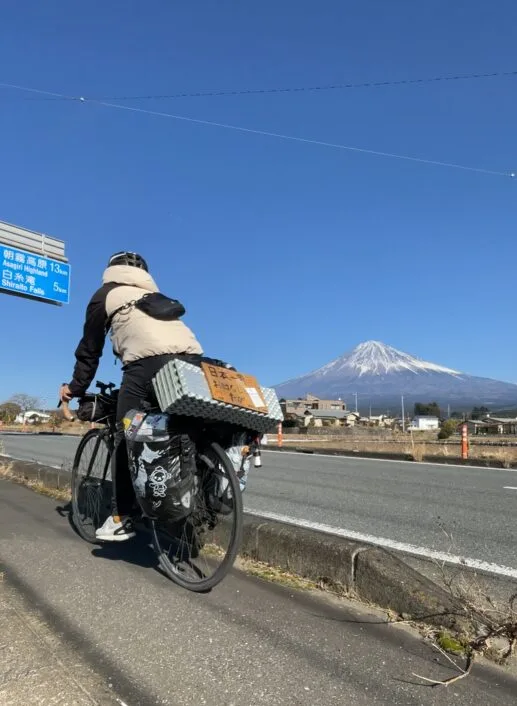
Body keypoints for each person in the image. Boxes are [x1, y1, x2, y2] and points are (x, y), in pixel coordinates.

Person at [59, 251, 203, 541]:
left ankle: (122, 517)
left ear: (111, 270)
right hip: (194, 363)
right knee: (182, 432)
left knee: (129, 434)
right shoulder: (158, 299)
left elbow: (90, 348)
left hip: (145, 366)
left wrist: (74, 387)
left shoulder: (106, 294)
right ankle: (194, 504)